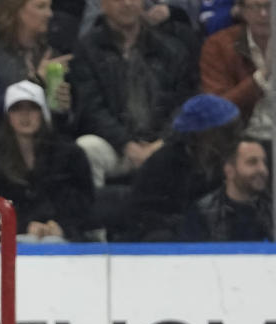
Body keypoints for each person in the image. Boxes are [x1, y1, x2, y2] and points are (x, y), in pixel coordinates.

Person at [70, 0, 196, 188]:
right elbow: (91, 107)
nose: (127, 3)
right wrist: (126, 145)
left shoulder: (170, 48)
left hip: (163, 144)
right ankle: (94, 215)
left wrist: (161, 143)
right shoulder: (87, 49)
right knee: (87, 148)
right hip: (116, 147)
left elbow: (184, 101)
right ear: (103, 5)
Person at [0, 80, 94, 241]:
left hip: (62, 236)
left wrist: (61, 227)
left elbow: (84, 203)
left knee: (53, 242)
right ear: (8, 115)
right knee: (26, 241)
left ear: (43, 113)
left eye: (32, 108)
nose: (25, 115)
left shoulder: (71, 154)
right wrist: (23, 226)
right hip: (8, 238)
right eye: (17, 109)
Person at [122, 93, 242, 241]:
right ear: (204, 134)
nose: (233, 139)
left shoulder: (223, 164)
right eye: (226, 132)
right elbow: (144, 216)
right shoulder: (163, 163)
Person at [0, 0, 73, 131]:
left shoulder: (52, 55)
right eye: (41, 7)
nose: (50, 14)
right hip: (0, 141)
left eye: (50, 7)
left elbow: (64, 125)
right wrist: (36, 81)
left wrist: (62, 109)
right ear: (17, 11)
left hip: (47, 142)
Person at [200, 0, 272, 142]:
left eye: (269, 6)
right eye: (256, 7)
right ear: (242, 10)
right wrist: (261, 76)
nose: (264, 14)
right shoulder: (218, 46)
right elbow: (217, 109)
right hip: (244, 140)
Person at [182, 137, 273, 241]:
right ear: (230, 170)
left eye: (264, 162)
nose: (263, 169)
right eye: (252, 162)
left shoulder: (271, 210)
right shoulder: (202, 214)